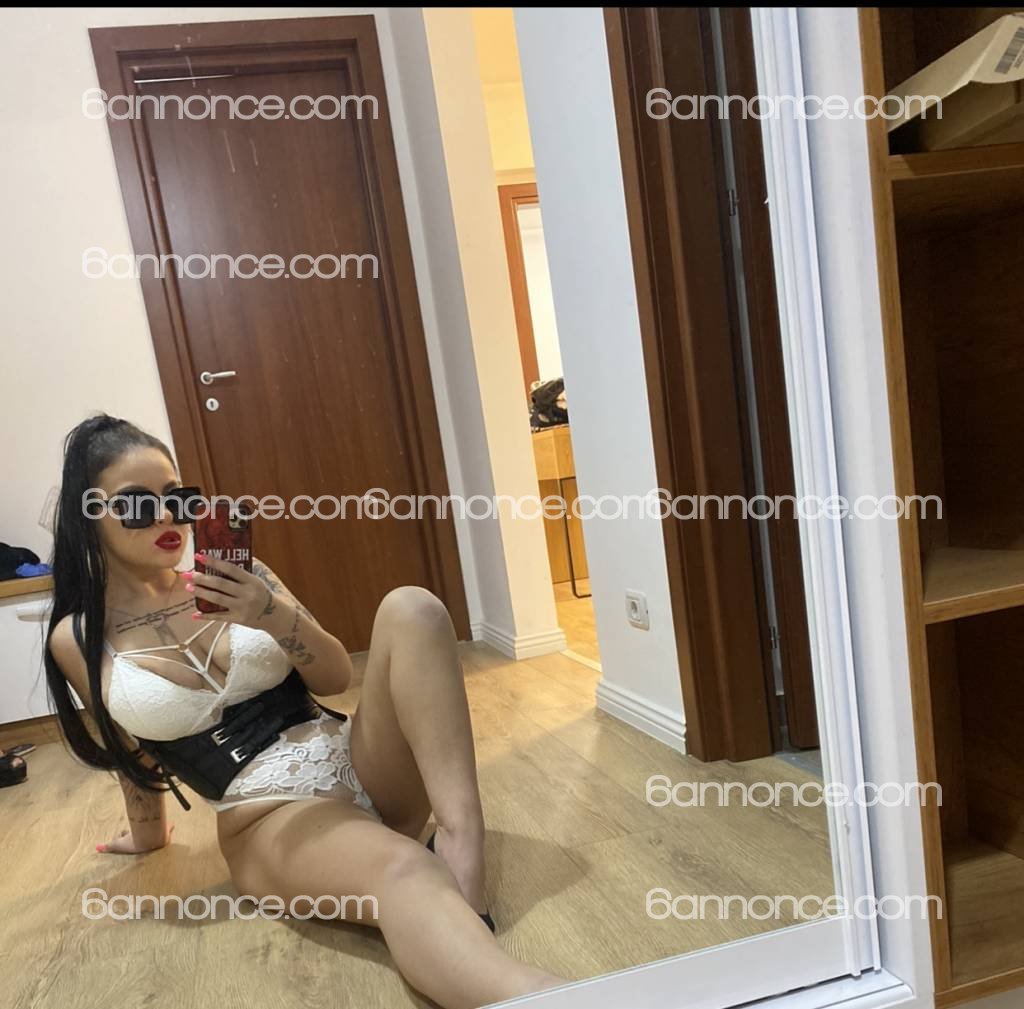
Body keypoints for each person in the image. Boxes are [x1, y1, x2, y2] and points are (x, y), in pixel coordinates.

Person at [44, 413, 564, 1009]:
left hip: (362, 763)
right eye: (138, 506)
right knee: (403, 871)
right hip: (271, 822)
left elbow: (335, 678)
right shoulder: (79, 637)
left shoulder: (239, 578)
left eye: (178, 498)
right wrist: (148, 832)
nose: (168, 517)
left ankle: (461, 845)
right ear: (90, 515)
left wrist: (268, 613)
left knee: (413, 608)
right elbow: (128, 745)